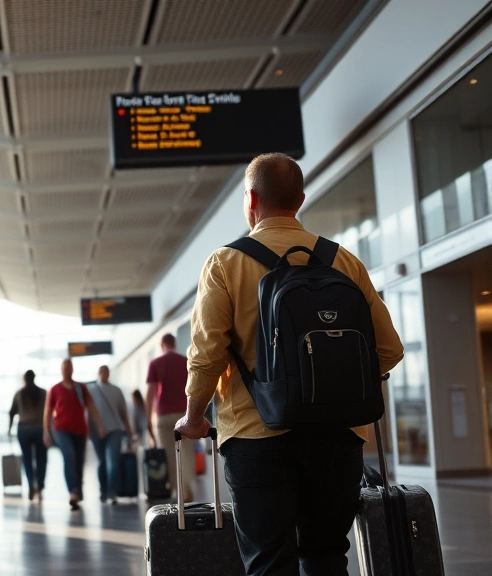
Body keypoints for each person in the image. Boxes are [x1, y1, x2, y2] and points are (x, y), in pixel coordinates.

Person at [175, 153, 404, 575]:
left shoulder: (225, 263)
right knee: (327, 555)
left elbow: (208, 353)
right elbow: (389, 349)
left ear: (251, 199)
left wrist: (193, 416)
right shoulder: (344, 261)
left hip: (255, 435)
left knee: (269, 562)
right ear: (299, 199)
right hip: (337, 436)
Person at [43, 358, 107, 510]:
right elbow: (47, 412)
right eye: (64, 368)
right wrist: (46, 432)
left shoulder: (80, 388)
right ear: (61, 370)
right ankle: (73, 490)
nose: (67, 370)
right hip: (62, 430)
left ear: (72, 369)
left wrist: (100, 425)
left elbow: (91, 407)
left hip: (80, 430)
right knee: (69, 456)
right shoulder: (55, 389)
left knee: (79, 460)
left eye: (69, 368)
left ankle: (78, 489)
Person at [146, 333, 195, 503]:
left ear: (162, 345)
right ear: (174, 343)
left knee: (169, 456)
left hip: (164, 418)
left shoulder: (155, 364)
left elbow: (150, 393)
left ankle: (179, 491)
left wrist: (148, 420)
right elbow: (194, 389)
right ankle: (187, 489)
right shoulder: (185, 362)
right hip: (184, 415)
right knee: (186, 454)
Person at [87, 366, 134, 505]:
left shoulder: (116, 391)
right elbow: (88, 413)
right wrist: (89, 430)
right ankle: (103, 491)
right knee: (101, 462)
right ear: (98, 373)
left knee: (113, 462)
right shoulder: (91, 390)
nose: (103, 374)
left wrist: (128, 428)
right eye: (101, 371)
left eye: (105, 371)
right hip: (96, 432)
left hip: (115, 430)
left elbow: (123, 412)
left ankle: (112, 492)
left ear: (109, 374)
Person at [8, 370, 48, 502]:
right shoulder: (43, 393)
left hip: (24, 429)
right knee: (41, 458)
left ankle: (31, 484)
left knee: (27, 459)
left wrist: (9, 429)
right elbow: (49, 412)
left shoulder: (19, 394)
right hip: (40, 428)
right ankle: (40, 485)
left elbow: (12, 412)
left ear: (24, 379)